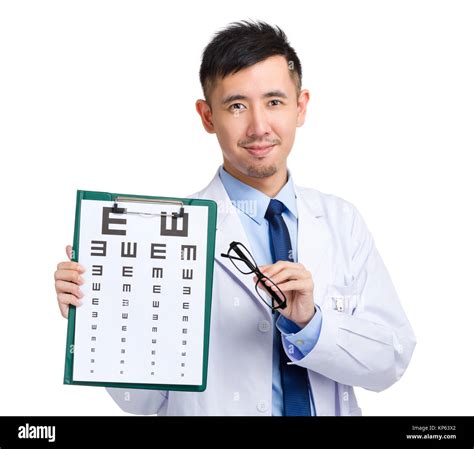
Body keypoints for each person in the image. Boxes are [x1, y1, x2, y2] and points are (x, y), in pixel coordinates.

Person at [54, 20, 416, 416]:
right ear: (207, 116)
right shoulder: (162, 236)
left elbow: (390, 361)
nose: (259, 127)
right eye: (237, 106)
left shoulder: (342, 222)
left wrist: (310, 325)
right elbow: (145, 402)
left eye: (275, 102)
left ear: (301, 106)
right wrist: (97, 318)